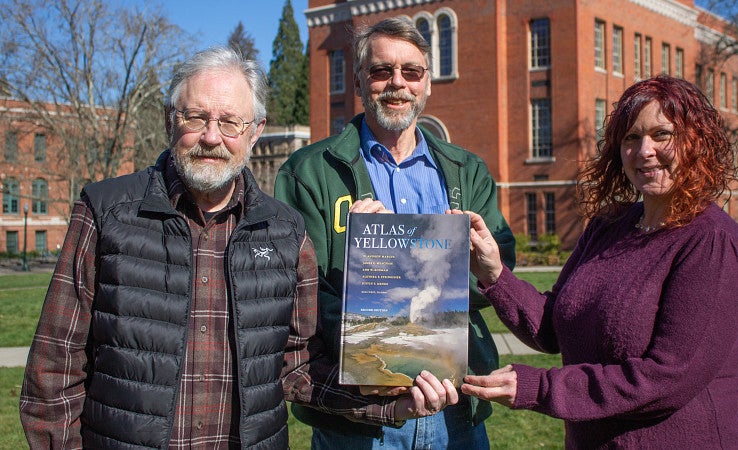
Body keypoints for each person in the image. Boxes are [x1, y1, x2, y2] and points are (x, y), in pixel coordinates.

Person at [19, 46, 453, 449]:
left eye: (230, 122)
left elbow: (298, 369)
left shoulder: (285, 232)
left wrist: (391, 403)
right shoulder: (105, 212)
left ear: (255, 131)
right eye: (195, 118)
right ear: (171, 119)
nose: (212, 137)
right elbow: (52, 372)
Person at [457, 75, 738, 448]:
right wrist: (494, 273)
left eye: (661, 134)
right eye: (631, 138)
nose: (644, 150)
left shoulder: (712, 241)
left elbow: (667, 378)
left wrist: (540, 387)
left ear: (696, 142)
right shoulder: (608, 227)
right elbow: (553, 326)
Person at [275, 16, 516, 450]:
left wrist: (481, 266)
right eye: (381, 71)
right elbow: (297, 292)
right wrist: (361, 284)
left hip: (453, 409)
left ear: (427, 83)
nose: (397, 83)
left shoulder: (467, 170)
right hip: (357, 417)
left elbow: (500, 270)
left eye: (411, 72)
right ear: (359, 82)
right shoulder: (309, 172)